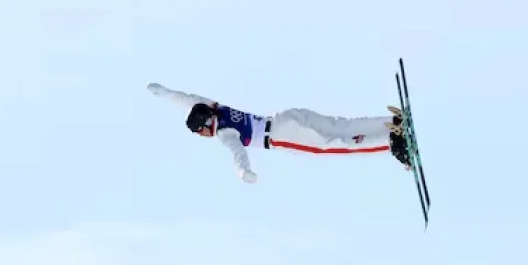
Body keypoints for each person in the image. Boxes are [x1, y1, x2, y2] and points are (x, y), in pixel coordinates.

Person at [147, 82, 410, 184]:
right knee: (342, 126)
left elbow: (238, 153)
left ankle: (392, 141)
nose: (199, 135)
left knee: (335, 145)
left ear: (205, 124)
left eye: (197, 131)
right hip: (286, 117)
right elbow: (189, 99)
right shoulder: (217, 107)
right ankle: (392, 122)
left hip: (283, 137)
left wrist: (243, 173)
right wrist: (166, 93)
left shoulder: (224, 132)